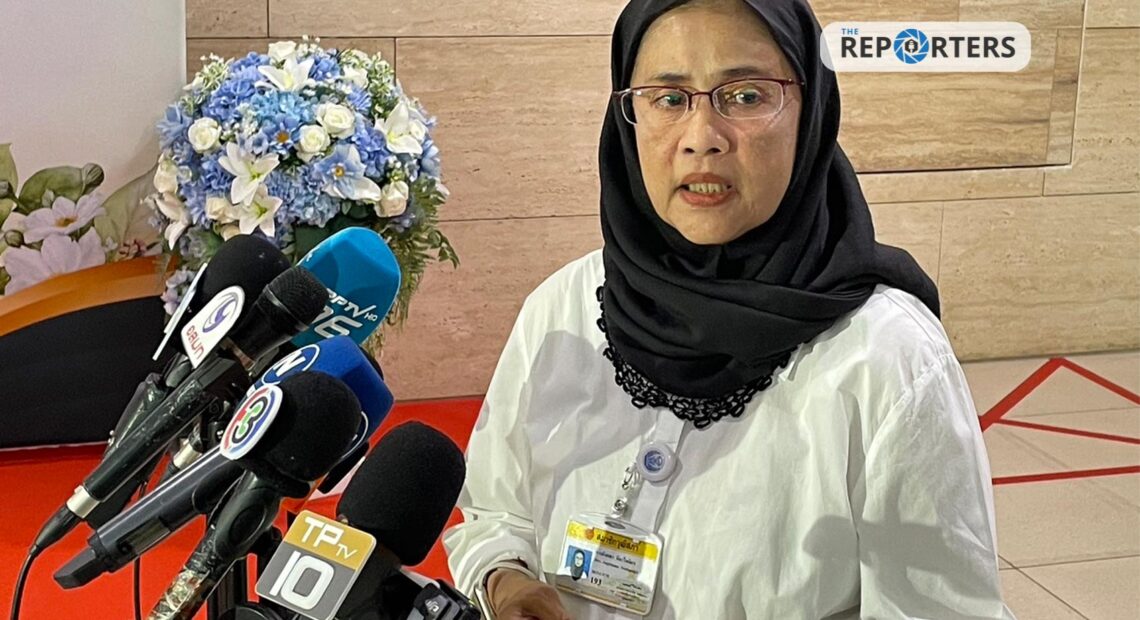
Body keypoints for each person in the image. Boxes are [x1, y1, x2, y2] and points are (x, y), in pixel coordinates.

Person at [444, 0, 1013, 618]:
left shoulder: (888, 358)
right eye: (668, 98)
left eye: (745, 96)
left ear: (811, 111)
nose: (701, 138)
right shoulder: (563, 307)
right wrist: (504, 580)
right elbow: (496, 512)